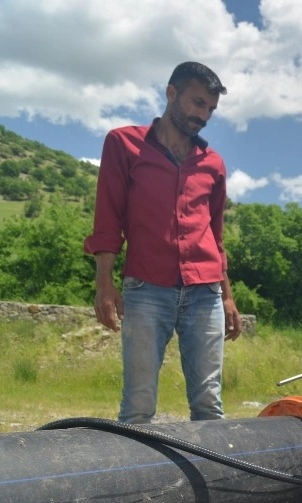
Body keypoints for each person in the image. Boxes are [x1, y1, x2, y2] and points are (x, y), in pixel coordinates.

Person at [84, 62, 241, 424]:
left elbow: (215, 236)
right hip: (146, 287)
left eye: (210, 110)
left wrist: (227, 295)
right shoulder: (123, 144)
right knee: (138, 407)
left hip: (205, 292)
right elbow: (107, 221)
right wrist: (104, 284)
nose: (203, 115)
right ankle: (138, 482)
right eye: (197, 103)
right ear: (172, 93)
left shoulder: (213, 163)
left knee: (209, 407)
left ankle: (213, 481)